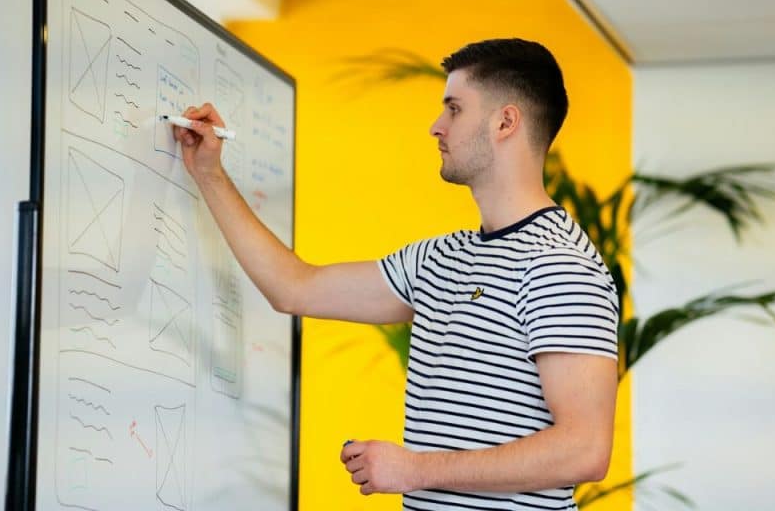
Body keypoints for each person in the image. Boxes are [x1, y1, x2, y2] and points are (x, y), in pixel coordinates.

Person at [173, 38, 618, 510]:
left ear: (505, 122)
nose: (436, 126)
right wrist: (209, 173)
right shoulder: (439, 260)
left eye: (454, 109)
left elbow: (585, 449)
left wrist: (414, 469)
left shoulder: (560, 266)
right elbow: (293, 287)